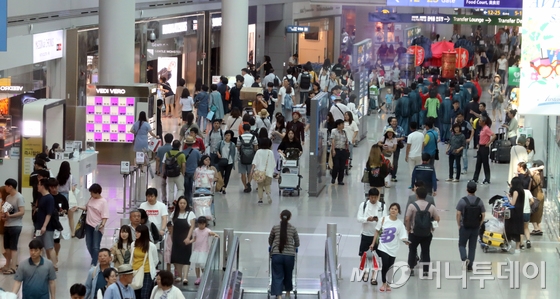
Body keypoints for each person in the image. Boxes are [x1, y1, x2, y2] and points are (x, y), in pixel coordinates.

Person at [369, 203, 408, 292]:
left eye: (395, 209)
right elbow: (377, 231)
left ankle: (389, 283)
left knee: (390, 266)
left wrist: (406, 241)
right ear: (389, 210)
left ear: (398, 212)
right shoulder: (383, 219)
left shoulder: (399, 224)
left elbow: (403, 236)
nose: (393, 210)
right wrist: (372, 243)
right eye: (392, 208)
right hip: (383, 246)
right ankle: (384, 283)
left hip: (393, 248)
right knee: (385, 264)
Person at [405, 187, 440, 277]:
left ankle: (411, 268)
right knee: (426, 251)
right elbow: (437, 218)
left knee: (412, 250)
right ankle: (425, 271)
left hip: (414, 233)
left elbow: (407, 218)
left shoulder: (412, 206)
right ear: (426, 196)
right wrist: (432, 227)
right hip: (427, 233)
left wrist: (408, 229)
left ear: (417, 195)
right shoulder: (431, 207)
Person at [71, 183, 109, 266]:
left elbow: (105, 215)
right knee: (89, 244)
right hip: (88, 225)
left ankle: (94, 263)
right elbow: (87, 207)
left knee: (95, 246)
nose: (91, 194)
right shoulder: (91, 198)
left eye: (92, 193)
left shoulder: (103, 202)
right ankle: (96, 259)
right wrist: (78, 207)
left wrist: (102, 224)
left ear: (97, 193)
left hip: (97, 226)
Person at [356, 188, 386, 285]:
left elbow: (385, 219)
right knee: (363, 255)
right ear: (368, 196)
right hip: (365, 234)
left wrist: (378, 220)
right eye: (372, 197)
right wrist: (367, 219)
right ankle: (365, 270)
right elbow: (359, 218)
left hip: (377, 236)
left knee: (376, 257)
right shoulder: (363, 205)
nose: (373, 199)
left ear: (378, 197)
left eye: (375, 197)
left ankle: (374, 277)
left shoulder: (382, 206)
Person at [269, 210, 300, 299]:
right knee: (288, 274)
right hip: (289, 256)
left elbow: (270, 240)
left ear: (280, 216)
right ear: (290, 218)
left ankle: (279, 295)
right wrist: (293, 246)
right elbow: (297, 243)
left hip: (277, 255)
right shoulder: (293, 229)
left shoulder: (275, 227)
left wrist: (272, 246)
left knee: (277, 275)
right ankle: (288, 293)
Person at [456, 181, 485, 271]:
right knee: (472, 247)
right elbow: (483, 214)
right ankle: (470, 266)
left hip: (464, 226)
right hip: (475, 227)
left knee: (462, 244)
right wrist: (479, 224)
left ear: (466, 189)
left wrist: (458, 224)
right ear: (476, 189)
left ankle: (464, 258)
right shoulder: (479, 201)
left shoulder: (462, 201)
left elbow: (458, 214)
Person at [185, 217, 219, 285]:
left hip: (204, 250)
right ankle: (198, 277)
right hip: (197, 250)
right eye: (200, 224)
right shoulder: (196, 230)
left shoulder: (207, 230)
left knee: (203, 265)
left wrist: (215, 235)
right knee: (197, 265)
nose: (201, 226)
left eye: (203, 224)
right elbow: (194, 239)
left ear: (205, 224)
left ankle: (204, 276)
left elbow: (211, 233)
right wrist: (189, 242)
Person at [170, 196, 196, 285]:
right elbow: (172, 227)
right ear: (178, 204)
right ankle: (180, 275)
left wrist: (188, 238)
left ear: (187, 204)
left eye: (184, 203)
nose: (182, 205)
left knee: (186, 258)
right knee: (176, 258)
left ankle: (185, 277)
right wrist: (172, 237)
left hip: (186, 239)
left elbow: (192, 226)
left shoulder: (190, 214)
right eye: (181, 203)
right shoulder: (174, 214)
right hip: (176, 238)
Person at [33, 178, 58, 268]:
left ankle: (54, 265)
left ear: (43, 186)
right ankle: (40, 262)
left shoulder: (49, 198)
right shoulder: (41, 197)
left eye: (39, 184)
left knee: (49, 246)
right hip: (39, 225)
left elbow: (49, 213)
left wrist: (44, 226)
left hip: (47, 226)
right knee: (39, 246)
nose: (37, 186)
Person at [2, 178, 25, 275]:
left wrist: (10, 216)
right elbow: (5, 210)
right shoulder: (8, 198)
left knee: (13, 247)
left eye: (6, 186)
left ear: (10, 186)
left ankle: (13, 267)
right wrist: (4, 216)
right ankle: (7, 264)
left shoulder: (19, 197)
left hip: (16, 225)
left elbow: (22, 211)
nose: (5, 188)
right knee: (6, 246)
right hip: (7, 224)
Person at [131, 224, 159, 299]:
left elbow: (155, 260)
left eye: (138, 232)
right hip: (135, 272)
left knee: (144, 295)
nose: (136, 234)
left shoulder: (151, 246)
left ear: (143, 233)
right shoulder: (133, 244)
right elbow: (132, 258)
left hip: (147, 272)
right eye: (136, 232)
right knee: (136, 294)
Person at [471, 117, 496, 185]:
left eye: (480, 121)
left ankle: (487, 179)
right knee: (478, 163)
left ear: (484, 122)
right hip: (481, 147)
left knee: (485, 164)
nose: (479, 122)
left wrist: (489, 142)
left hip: (485, 148)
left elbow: (494, 136)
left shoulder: (486, 128)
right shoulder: (482, 129)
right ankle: (475, 178)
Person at [48, 178, 68, 259]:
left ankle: (55, 254)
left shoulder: (62, 197)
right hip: (48, 220)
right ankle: (50, 256)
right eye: (52, 187)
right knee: (49, 240)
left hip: (58, 221)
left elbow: (66, 208)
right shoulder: (47, 197)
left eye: (55, 187)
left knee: (56, 240)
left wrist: (64, 211)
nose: (53, 189)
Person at [505, 177, 525, 253]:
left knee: (512, 228)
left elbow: (512, 203)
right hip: (520, 212)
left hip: (515, 212)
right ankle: (517, 247)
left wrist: (508, 197)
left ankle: (511, 245)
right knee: (518, 229)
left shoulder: (516, 191)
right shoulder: (521, 191)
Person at [238, 124, 258, 193]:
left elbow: (238, 148)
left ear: (243, 129)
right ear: (249, 129)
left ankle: (245, 187)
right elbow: (255, 147)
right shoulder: (253, 137)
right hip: (251, 157)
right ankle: (249, 182)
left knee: (243, 173)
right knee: (250, 172)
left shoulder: (240, 137)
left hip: (242, 157)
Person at [164, 140, 186, 204]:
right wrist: (183, 173)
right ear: (179, 146)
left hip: (170, 174)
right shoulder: (182, 154)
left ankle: (170, 205)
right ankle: (176, 200)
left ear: (172, 145)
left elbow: (164, 163)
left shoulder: (167, 153)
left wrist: (165, 172)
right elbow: (183, 165)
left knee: (171, 190)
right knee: (181, 189)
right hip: (178, 174)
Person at [182, 136, 202, 205]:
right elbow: (200, 160)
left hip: (186, 173)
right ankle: (191, 202)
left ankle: (186, 202)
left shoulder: (183, 152)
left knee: (186, 189)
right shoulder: (197, 152)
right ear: (193, 144)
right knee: (192, 189)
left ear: (186, 144)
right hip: (194, 173)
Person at [216, 130, 237, 194]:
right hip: (221, 161)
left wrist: (234, 161)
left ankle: (224, 188)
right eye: (226, 135)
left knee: (227, 175)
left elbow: (234, 153)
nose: (227, 136)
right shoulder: (220, 143)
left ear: (231, 137)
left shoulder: (232, 145)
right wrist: (218, 154)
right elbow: (216, 149)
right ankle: (221, 186)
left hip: (229, 162)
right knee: (221, 175)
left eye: (229, 135)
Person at [155, 133, 174, 204]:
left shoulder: (160, 149)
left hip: (162, 170)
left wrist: (157, 170)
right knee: (170, 185)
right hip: (171, 170)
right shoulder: (173, 149)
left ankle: (164, 198)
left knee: (163, 184)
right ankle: (171, 199)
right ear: (172, 140)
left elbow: (158, 160)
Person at [330, 120, 349, 185]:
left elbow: (346, 141)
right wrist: (333, 150)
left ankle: (340, 180)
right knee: (336, 165)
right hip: (336, 150)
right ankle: (333, 177)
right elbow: (333, 141)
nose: (343, 126)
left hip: (343, 150)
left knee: (342, 166)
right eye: (342, 124)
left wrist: (347, 145)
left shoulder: (344, 132)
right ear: (338, 125)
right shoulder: (334, 131)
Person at [530, 160, 545, 235]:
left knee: (533, 212)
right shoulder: (540, 175)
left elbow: (528, 171)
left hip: (536, 195)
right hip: (541, 195)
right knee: (538, 213)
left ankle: (536, 229)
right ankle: (539, 228)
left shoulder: (535, 175)